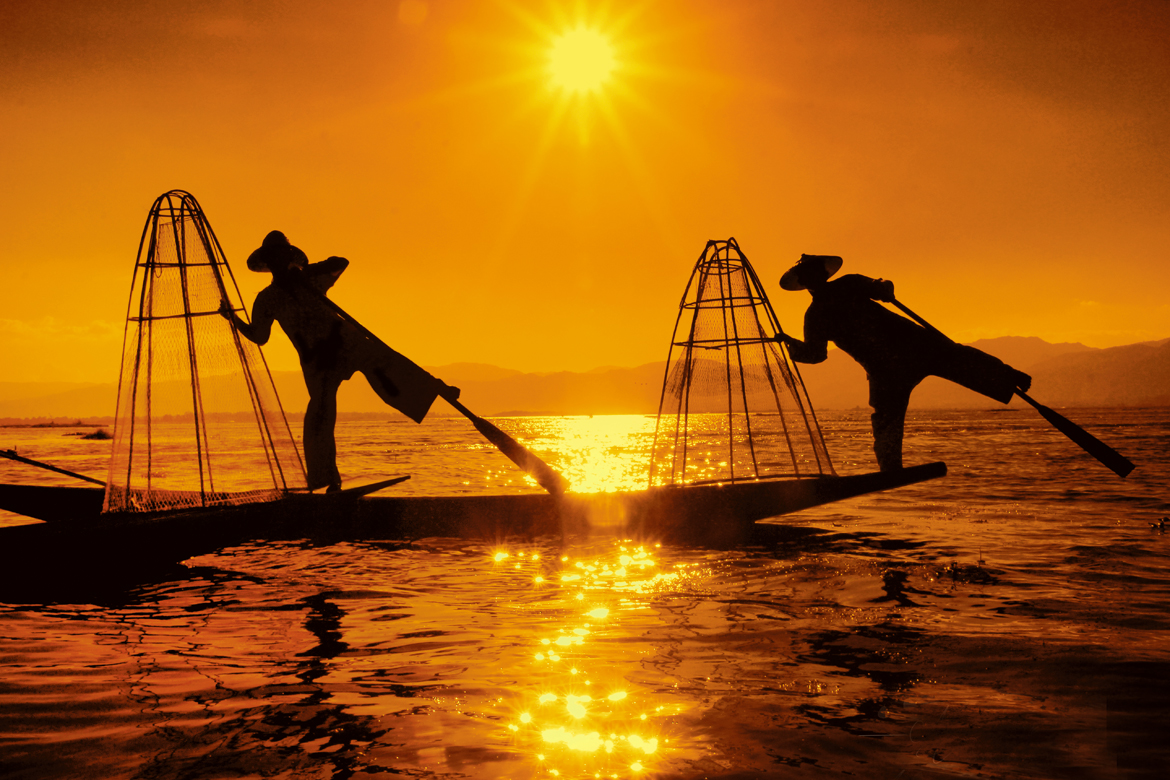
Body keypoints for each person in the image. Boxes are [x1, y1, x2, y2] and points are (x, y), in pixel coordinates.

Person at [221, 231, 458, 492]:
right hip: (315, 360)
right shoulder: (267, 299)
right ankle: (328, 480)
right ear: (268, 262)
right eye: (273, 257)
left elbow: (340, 262)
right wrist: (233, 318)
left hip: (345, 342)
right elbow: (259, 336)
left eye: (283, 256)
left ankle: (434, 390)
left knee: (386, 364)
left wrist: (305, 272)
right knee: (319, 415)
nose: (278, 261)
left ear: (288, 258)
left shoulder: (311, 279)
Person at [776, 253, 1030, 471]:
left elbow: (881, 286)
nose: (813, 278)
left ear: (820, 274)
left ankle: (1010, 378)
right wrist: (791, 343)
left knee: (961, 358)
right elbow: (815, 355)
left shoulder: (849, 285)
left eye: (814, 272)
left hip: (912, 346)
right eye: (807, 275)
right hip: (885, 368)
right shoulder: (816, 316)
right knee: (887, 419)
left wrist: (885, 287)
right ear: (804, 281)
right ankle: (891, 470)